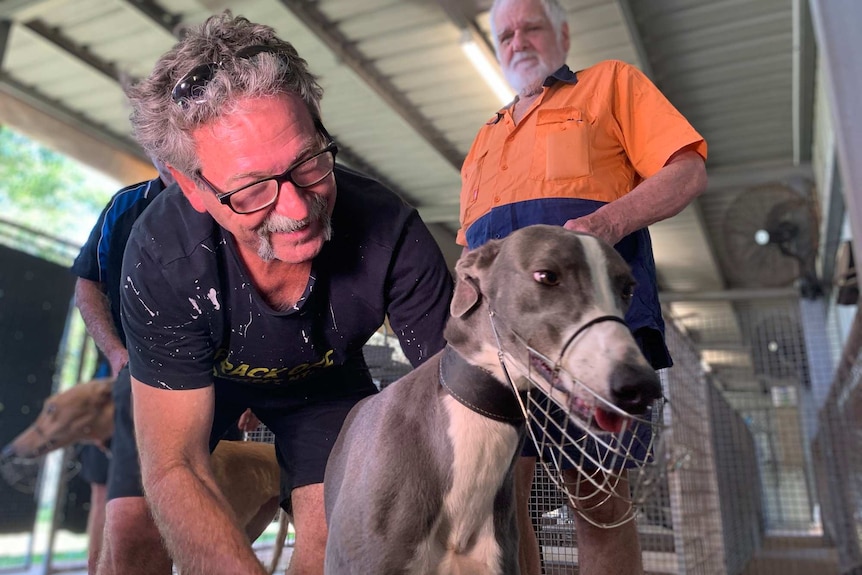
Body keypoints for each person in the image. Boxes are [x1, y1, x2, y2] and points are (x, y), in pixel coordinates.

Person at [115, 11, 453, 575]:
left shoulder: (391, 233)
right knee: (131, 538)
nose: (297, 211)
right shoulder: (162, 260)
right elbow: (177, 464)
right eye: (250, 190)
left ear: (318, 123)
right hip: (199, 377)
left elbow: (454, 404)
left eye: (308, 163)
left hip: (322, 383)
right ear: (193, 189)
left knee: (329, 549)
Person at [457, 0, 708, 574]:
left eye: (532, 27)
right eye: (505, 34)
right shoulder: (484, 140)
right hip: (502, 346)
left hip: (588, 327)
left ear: (563, 34)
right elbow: (471, 251)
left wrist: (607, 224)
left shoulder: (610, 85)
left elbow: (686, 170)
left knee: (597, 502)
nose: (517, 41)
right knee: (500, 501)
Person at [71, 163, 173, 574]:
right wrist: (115, 354)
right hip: (122, 371)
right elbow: (86, 285)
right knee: (110, 493)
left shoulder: (225, 203)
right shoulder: (125, 204)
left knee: (185, 489)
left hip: (202, 379)